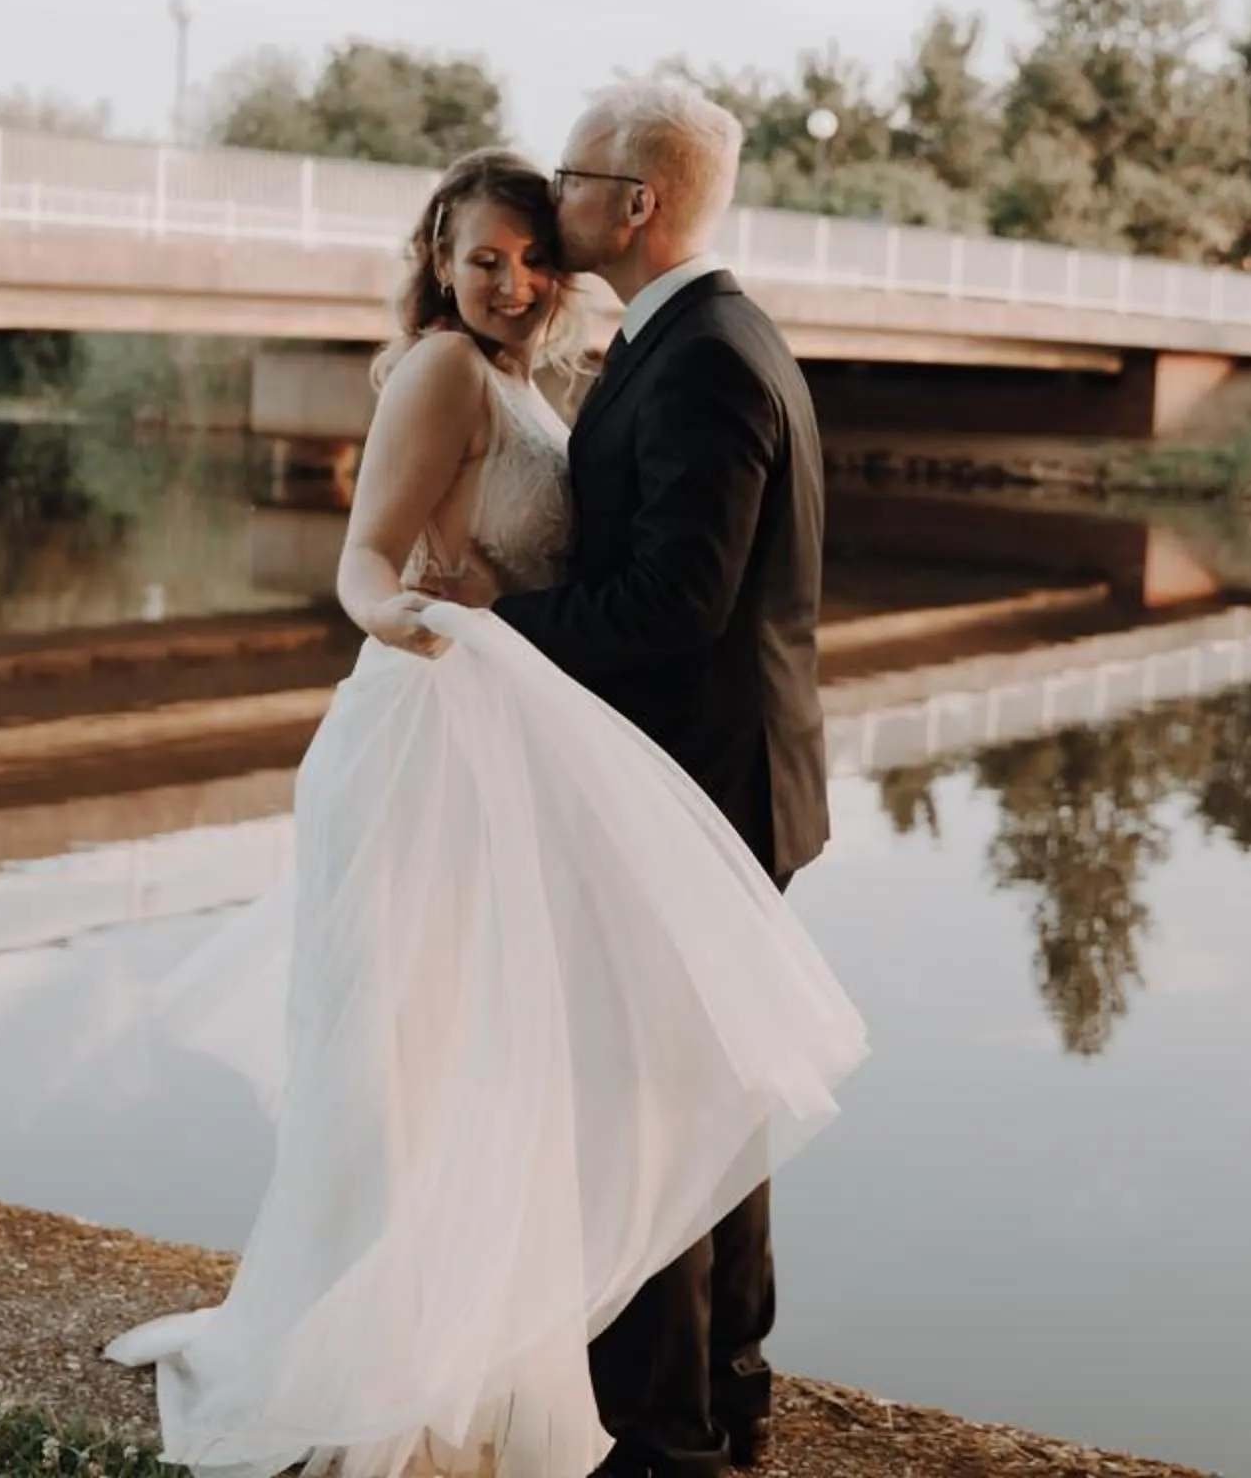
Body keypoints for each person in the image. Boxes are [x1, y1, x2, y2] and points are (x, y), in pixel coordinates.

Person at [105, 139, 862, 1478]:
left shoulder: (558, 378)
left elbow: (641, 582)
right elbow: (361, 556)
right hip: (430, 737)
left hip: (526, 751)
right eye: (482, 261)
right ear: (437, 266)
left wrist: (503, 619)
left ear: (566, 264)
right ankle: (389, 1353)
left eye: (527, 260)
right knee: (419, 1053)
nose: (509, 282)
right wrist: (396, 617)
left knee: (509, 1061)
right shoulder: (446, 371)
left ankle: (563, 1362)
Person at [493, 82, 830, 1478]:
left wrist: (489, 631)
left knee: (650, 1106)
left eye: (569, 178)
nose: (547, 198)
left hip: (699, 784)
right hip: (718, 778)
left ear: (635, 204)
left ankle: (665, 1437)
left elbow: (672, 604)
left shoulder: (703, 355)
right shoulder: (694, 335)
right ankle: (728, 1393)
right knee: (712, 1092)